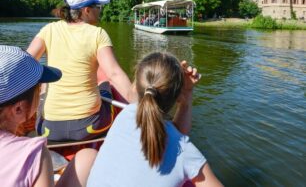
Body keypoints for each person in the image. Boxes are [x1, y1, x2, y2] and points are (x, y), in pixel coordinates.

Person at [87, 52, 223, 187]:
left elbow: (175, 133)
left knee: (85, 156)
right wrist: (187, 94)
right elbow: (177, 136)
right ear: (177, 98)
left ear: (135, 87)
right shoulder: (185, 152)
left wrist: (184, 92)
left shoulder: (124, 115)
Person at [27, 0, 135, 141]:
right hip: (89, 127)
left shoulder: (48, 30)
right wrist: (141, 107)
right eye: (98, 7)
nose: (100, 10)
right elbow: (114, 74)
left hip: (48, 130)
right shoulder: (98, 34)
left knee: (45, 83)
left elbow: (25, 64)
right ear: (86, 10)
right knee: (104, 77)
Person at [0, 45, 97, 187]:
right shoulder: (33, 154)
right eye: (39, 89)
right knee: (88, 158)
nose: (40, 93)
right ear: (19, 109)